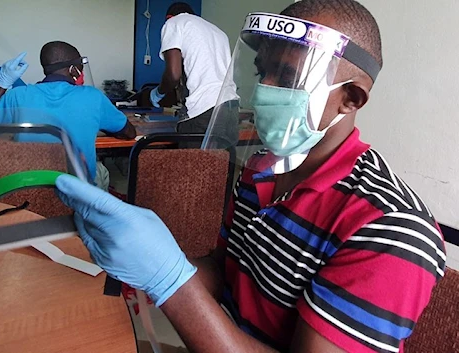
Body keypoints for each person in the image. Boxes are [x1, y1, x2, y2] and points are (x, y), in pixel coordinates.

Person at [54, 1, 446, 352]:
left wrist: (169, 280)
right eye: (263, 72)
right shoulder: (262, 170)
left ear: (351, 98)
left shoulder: (390, 228)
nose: (264, 91)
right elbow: (225, 269)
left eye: (288, 77)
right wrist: (142, 270)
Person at [0, 41, 136, 190]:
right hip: (78, 195)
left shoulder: (17, 96)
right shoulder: (93, 97)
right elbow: (129, 133)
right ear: (73, 70)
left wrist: (2, 84)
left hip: (29, 189)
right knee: (101, 171)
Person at [150, 2, 235, 134]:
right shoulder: (218, 32)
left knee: (193, 154)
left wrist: (157, 94)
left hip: (202, 110)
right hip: (230, 106)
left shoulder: (174, 23)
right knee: (223, 154)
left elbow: (173, 75)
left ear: (169, 17)